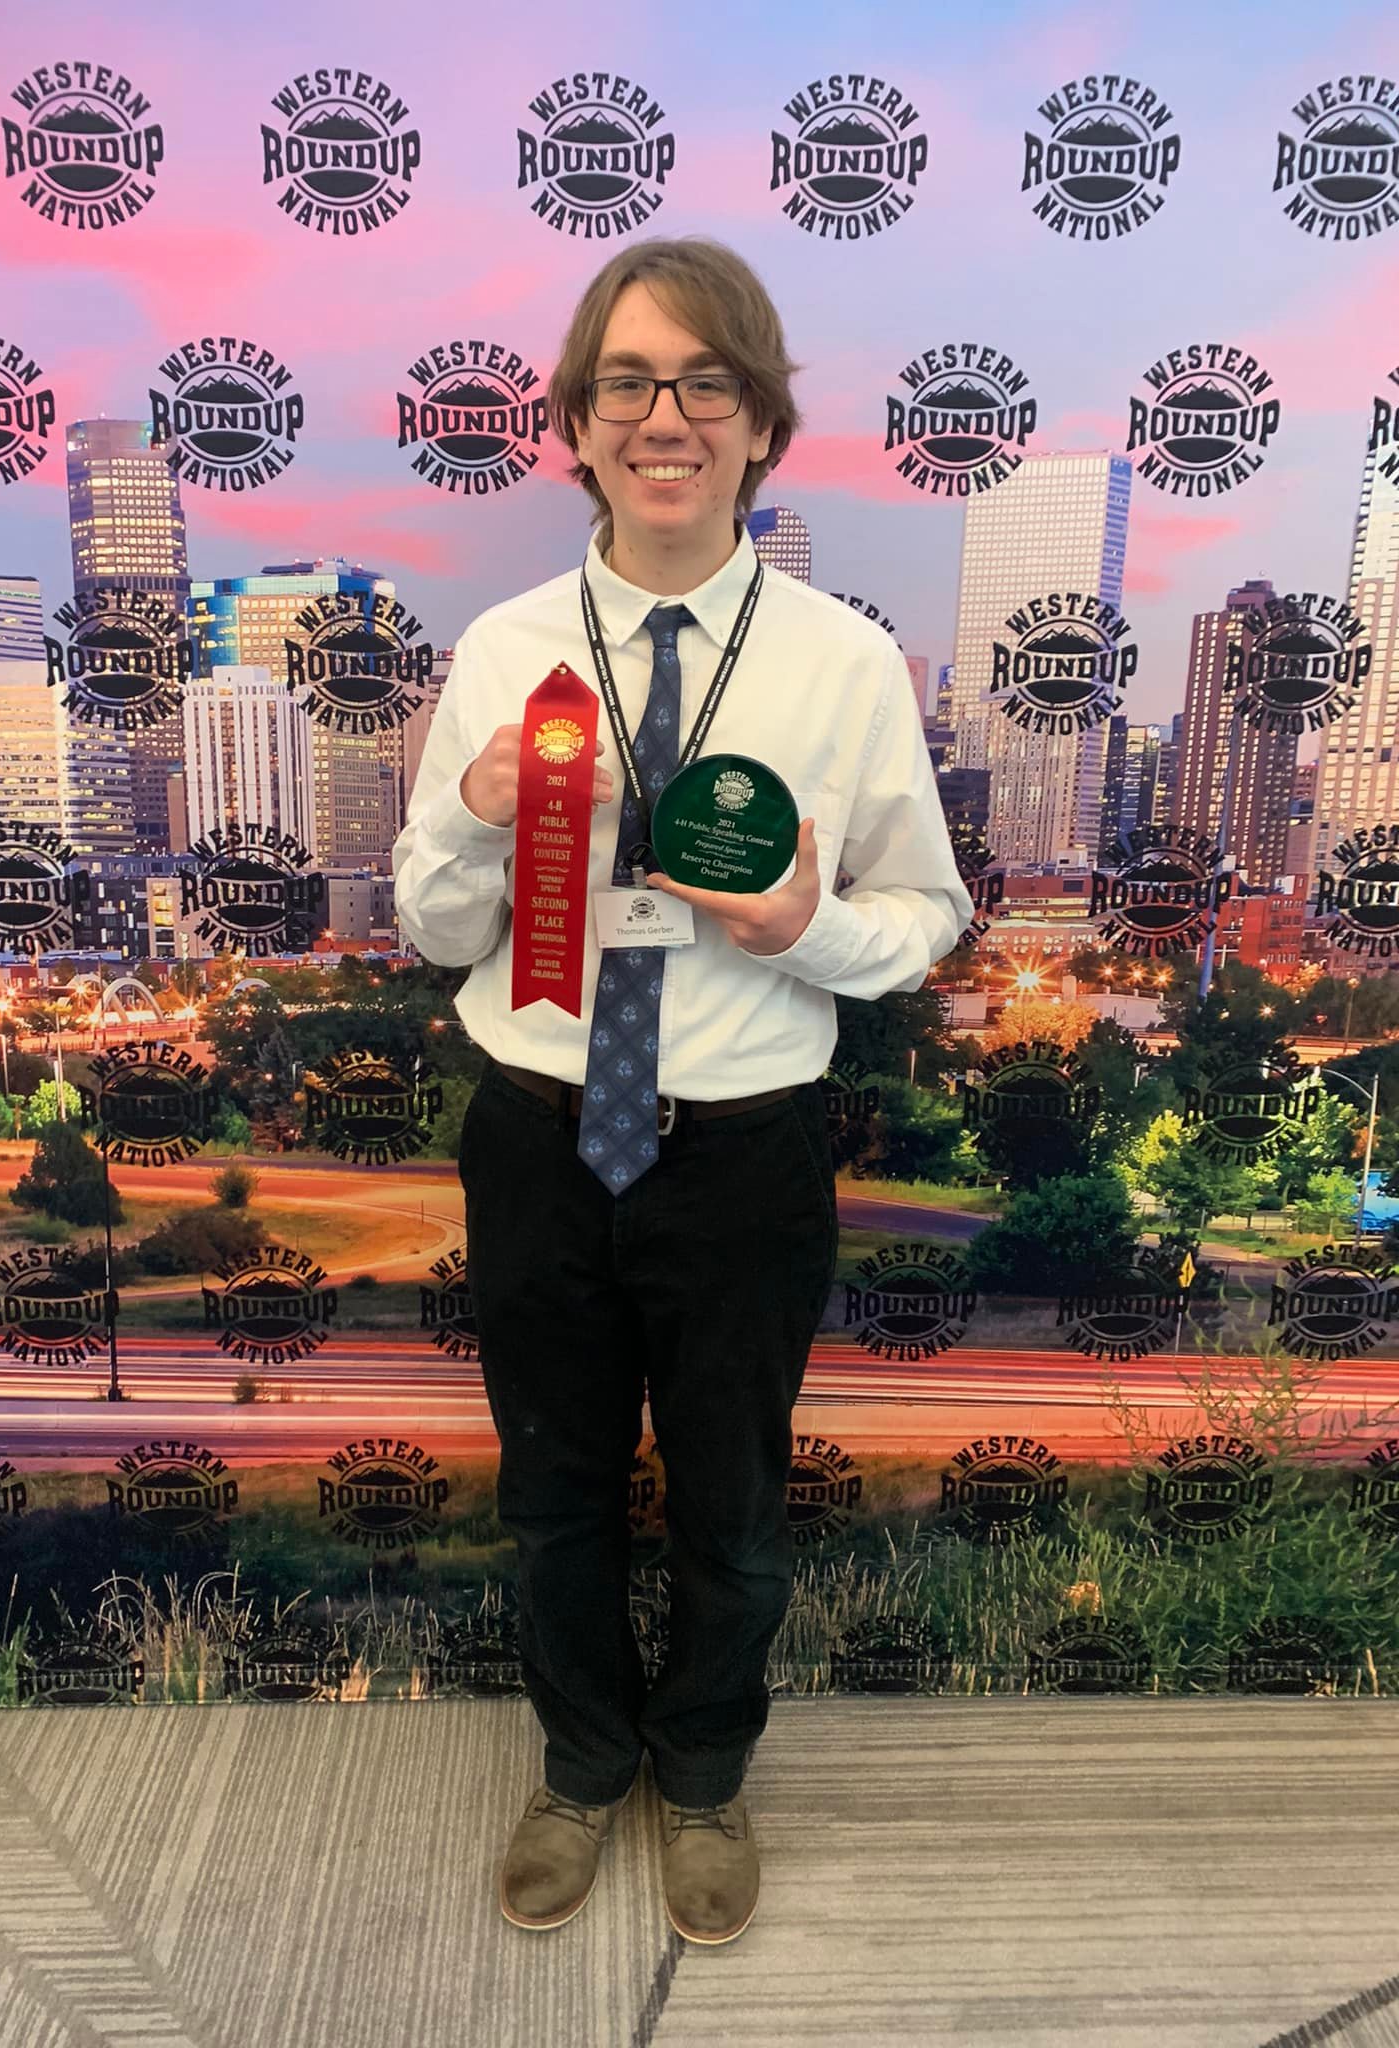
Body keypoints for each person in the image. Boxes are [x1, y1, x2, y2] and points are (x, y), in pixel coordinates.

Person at [391, 235, 973, 1946]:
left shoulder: (842, 665)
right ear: (574, 422)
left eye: (706, 382)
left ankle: (704, 1775)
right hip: (540, 1133)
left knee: (730, 1495)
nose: (668, 415)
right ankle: (581, 1769)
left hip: (740, 1151)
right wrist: (488, 809)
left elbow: (924, 921)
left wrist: (807, 925)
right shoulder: (501, 650)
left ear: (760, 427)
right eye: (631, 382)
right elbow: (437, 926)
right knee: (555, 1490)